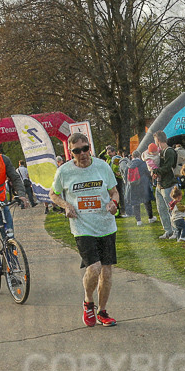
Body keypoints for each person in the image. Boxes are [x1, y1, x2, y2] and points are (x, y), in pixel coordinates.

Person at [50, 133, 120, 327]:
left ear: (90, 148)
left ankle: (102, 312)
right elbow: (53, 194)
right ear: (71, 153)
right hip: (82, 226)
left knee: (106, 272)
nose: (83, 153)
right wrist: (65, 205)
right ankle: (88, 301)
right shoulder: (64, 171)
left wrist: (114, 203)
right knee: (94, 267)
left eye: (85, 148)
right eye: (77, 151)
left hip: (105, 225)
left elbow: (114, 191)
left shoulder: (102, 166)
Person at [152, 131, 178, 239]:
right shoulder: (160, 152)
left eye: (155, 140)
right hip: (159, 185)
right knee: (161, 209)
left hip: (168, 184)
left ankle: (176, 231)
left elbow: (168, 167)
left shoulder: (169, 151)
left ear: (158, 139)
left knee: (172, 208)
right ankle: (168, 230)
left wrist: (156, 171)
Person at [123, 150, 154, 226]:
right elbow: (148, 173)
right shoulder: (143, 164)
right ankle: (150, 218)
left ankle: (138, 221)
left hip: (132, 187)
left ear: (132, 156)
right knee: (147, 202)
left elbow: (125, 176)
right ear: (139, 156)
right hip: (143, 186)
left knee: (135, 203)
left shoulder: (128, 164)